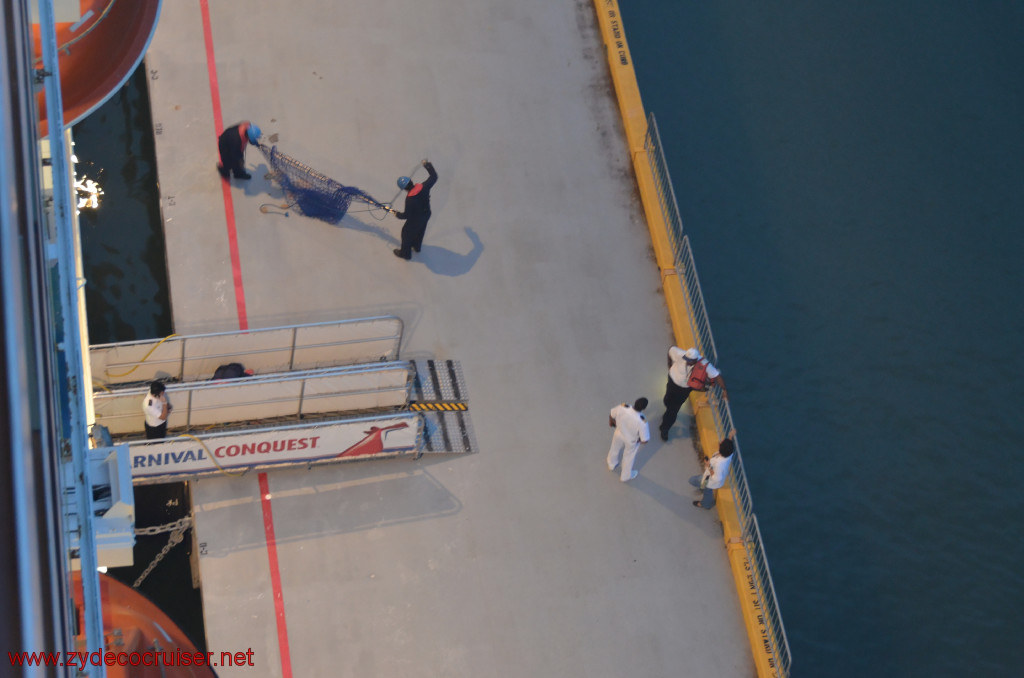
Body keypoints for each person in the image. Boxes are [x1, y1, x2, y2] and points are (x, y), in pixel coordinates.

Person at [659, 346, 727, 441]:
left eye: (690, 360)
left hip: (684, 389)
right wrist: (669, 365)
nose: (687, 361)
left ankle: (665, 428)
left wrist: (724, 390)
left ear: (695, 360)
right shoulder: (681, 354)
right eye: (686, 359)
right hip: (672, 381)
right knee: (667, 400)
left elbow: (717, 376)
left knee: (673, 410)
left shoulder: (704, 364)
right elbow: (670, 350)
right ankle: (668, 412)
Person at [392, 159, 438, 260]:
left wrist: (396, 214)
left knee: (406, 233)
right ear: (411, 181)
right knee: (421, 230)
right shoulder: (424, 187)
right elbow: (434, 177)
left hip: (416, 220)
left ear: (404, 189)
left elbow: (406, 215)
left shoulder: (410, 200)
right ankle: (417, 247)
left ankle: (405, 254)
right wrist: (427, 165)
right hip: (426, 214)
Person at [606, 398, 650, 482]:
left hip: (619, 433)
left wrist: (611, 422)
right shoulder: (642, 421)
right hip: (631, 440)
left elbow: (611, 414)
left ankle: (611, 464)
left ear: (635, 401)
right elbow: (645, 440)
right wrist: (637, 441)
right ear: (644, 408)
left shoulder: (623, 407)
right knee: (628, 457)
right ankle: (625, 476)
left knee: (614, 448)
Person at [690, 430, 736, 509]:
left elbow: (717, 478)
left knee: (693, 481)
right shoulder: (728, 454)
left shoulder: (719, 464)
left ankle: (705, 504)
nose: (720, 440)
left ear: (721, 448)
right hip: (708, 479)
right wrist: (730, 436)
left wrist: (708, 465)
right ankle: (702, 488)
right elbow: (729, 447)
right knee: (703, 486)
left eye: (721, 442)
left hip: (710, 481)